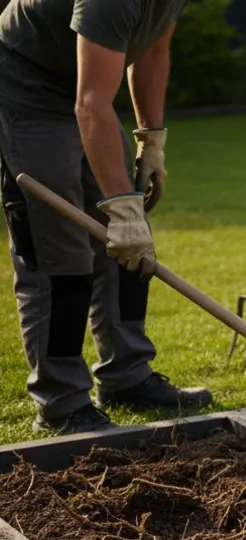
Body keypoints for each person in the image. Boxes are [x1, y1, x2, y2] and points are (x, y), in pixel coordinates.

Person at [0, 0, 211, 436]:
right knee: (60, 253)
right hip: (26, 86)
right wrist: (122, 205)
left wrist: (151, 139)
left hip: (83, 86)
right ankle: (61, 402)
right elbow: (91, 103)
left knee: (130, 243)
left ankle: (126, 375)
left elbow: (153, 49)